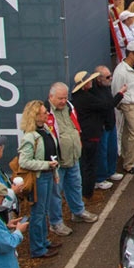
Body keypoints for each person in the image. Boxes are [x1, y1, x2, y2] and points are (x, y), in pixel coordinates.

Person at [46, 82, 98, 231]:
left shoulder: (69, 106)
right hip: (57, 161)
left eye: (65, 97)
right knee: (55, 192)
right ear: (51, 97)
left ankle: (78, 211)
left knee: (75, 185)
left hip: (73, 156)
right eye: (60, 98)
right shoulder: (44, 111)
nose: (63, 101)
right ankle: (56, 222)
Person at [16, 100, 62, 259]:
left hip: (48, 175)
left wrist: (54, 172)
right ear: (35, 116)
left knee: (43, 212)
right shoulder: (30, 137)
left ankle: (43, 241)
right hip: (39, 178)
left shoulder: (45, 130)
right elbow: (24, 161)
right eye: (43, 113)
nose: (47, 114)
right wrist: (46, 165)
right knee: (38, 212)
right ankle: (37, 248)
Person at [112, 41, 134, 175]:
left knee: (128, 133)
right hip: (128, 105)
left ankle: (129, 157)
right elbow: (116, 90)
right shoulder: (121, 72)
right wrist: (122, 105)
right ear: (131, 54)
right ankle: (129, 163)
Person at [93, 65, 126, 187]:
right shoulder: (94, 91)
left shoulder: (106, 87)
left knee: (112, 149)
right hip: (102, 125)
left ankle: (111, 171)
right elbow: (108, 105)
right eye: (107, 77)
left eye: (110, 75)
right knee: (102, 152)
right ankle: (100, 178)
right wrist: (120, 94)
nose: (111, 78)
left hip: (110, 123)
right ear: (98, 79)